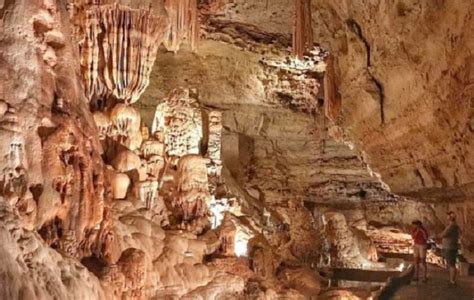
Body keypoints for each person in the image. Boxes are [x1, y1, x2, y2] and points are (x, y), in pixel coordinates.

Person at [440, 211, 461, 285]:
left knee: (452, 264)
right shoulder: (454, 226)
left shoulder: (451, 226)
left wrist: (441, 234)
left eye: (448, 216)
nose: (446, 218)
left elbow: (443, 234)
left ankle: (452, 280)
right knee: (451, 263)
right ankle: (451, 279)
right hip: (451, 246)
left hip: (450, 247)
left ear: (450, 217)